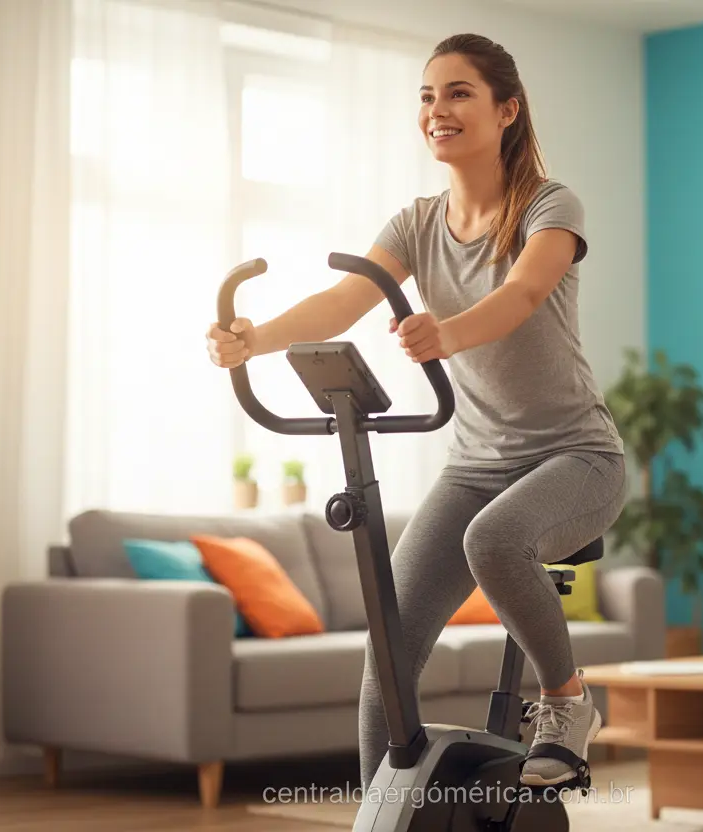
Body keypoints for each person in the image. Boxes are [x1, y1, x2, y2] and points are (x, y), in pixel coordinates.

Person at [206, 32, 626, 790]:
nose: (438, 110)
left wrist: (445, 334)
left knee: (493, 541)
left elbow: (524, 293)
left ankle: (567, 704)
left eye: (459, 93)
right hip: (474, 463)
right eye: (427, 97)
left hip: (578, 459)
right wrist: (256, 339)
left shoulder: (550, 204)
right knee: (389, 655)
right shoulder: (415, 223)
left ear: (507, 110)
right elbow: (343, 300)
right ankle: (381, 805)